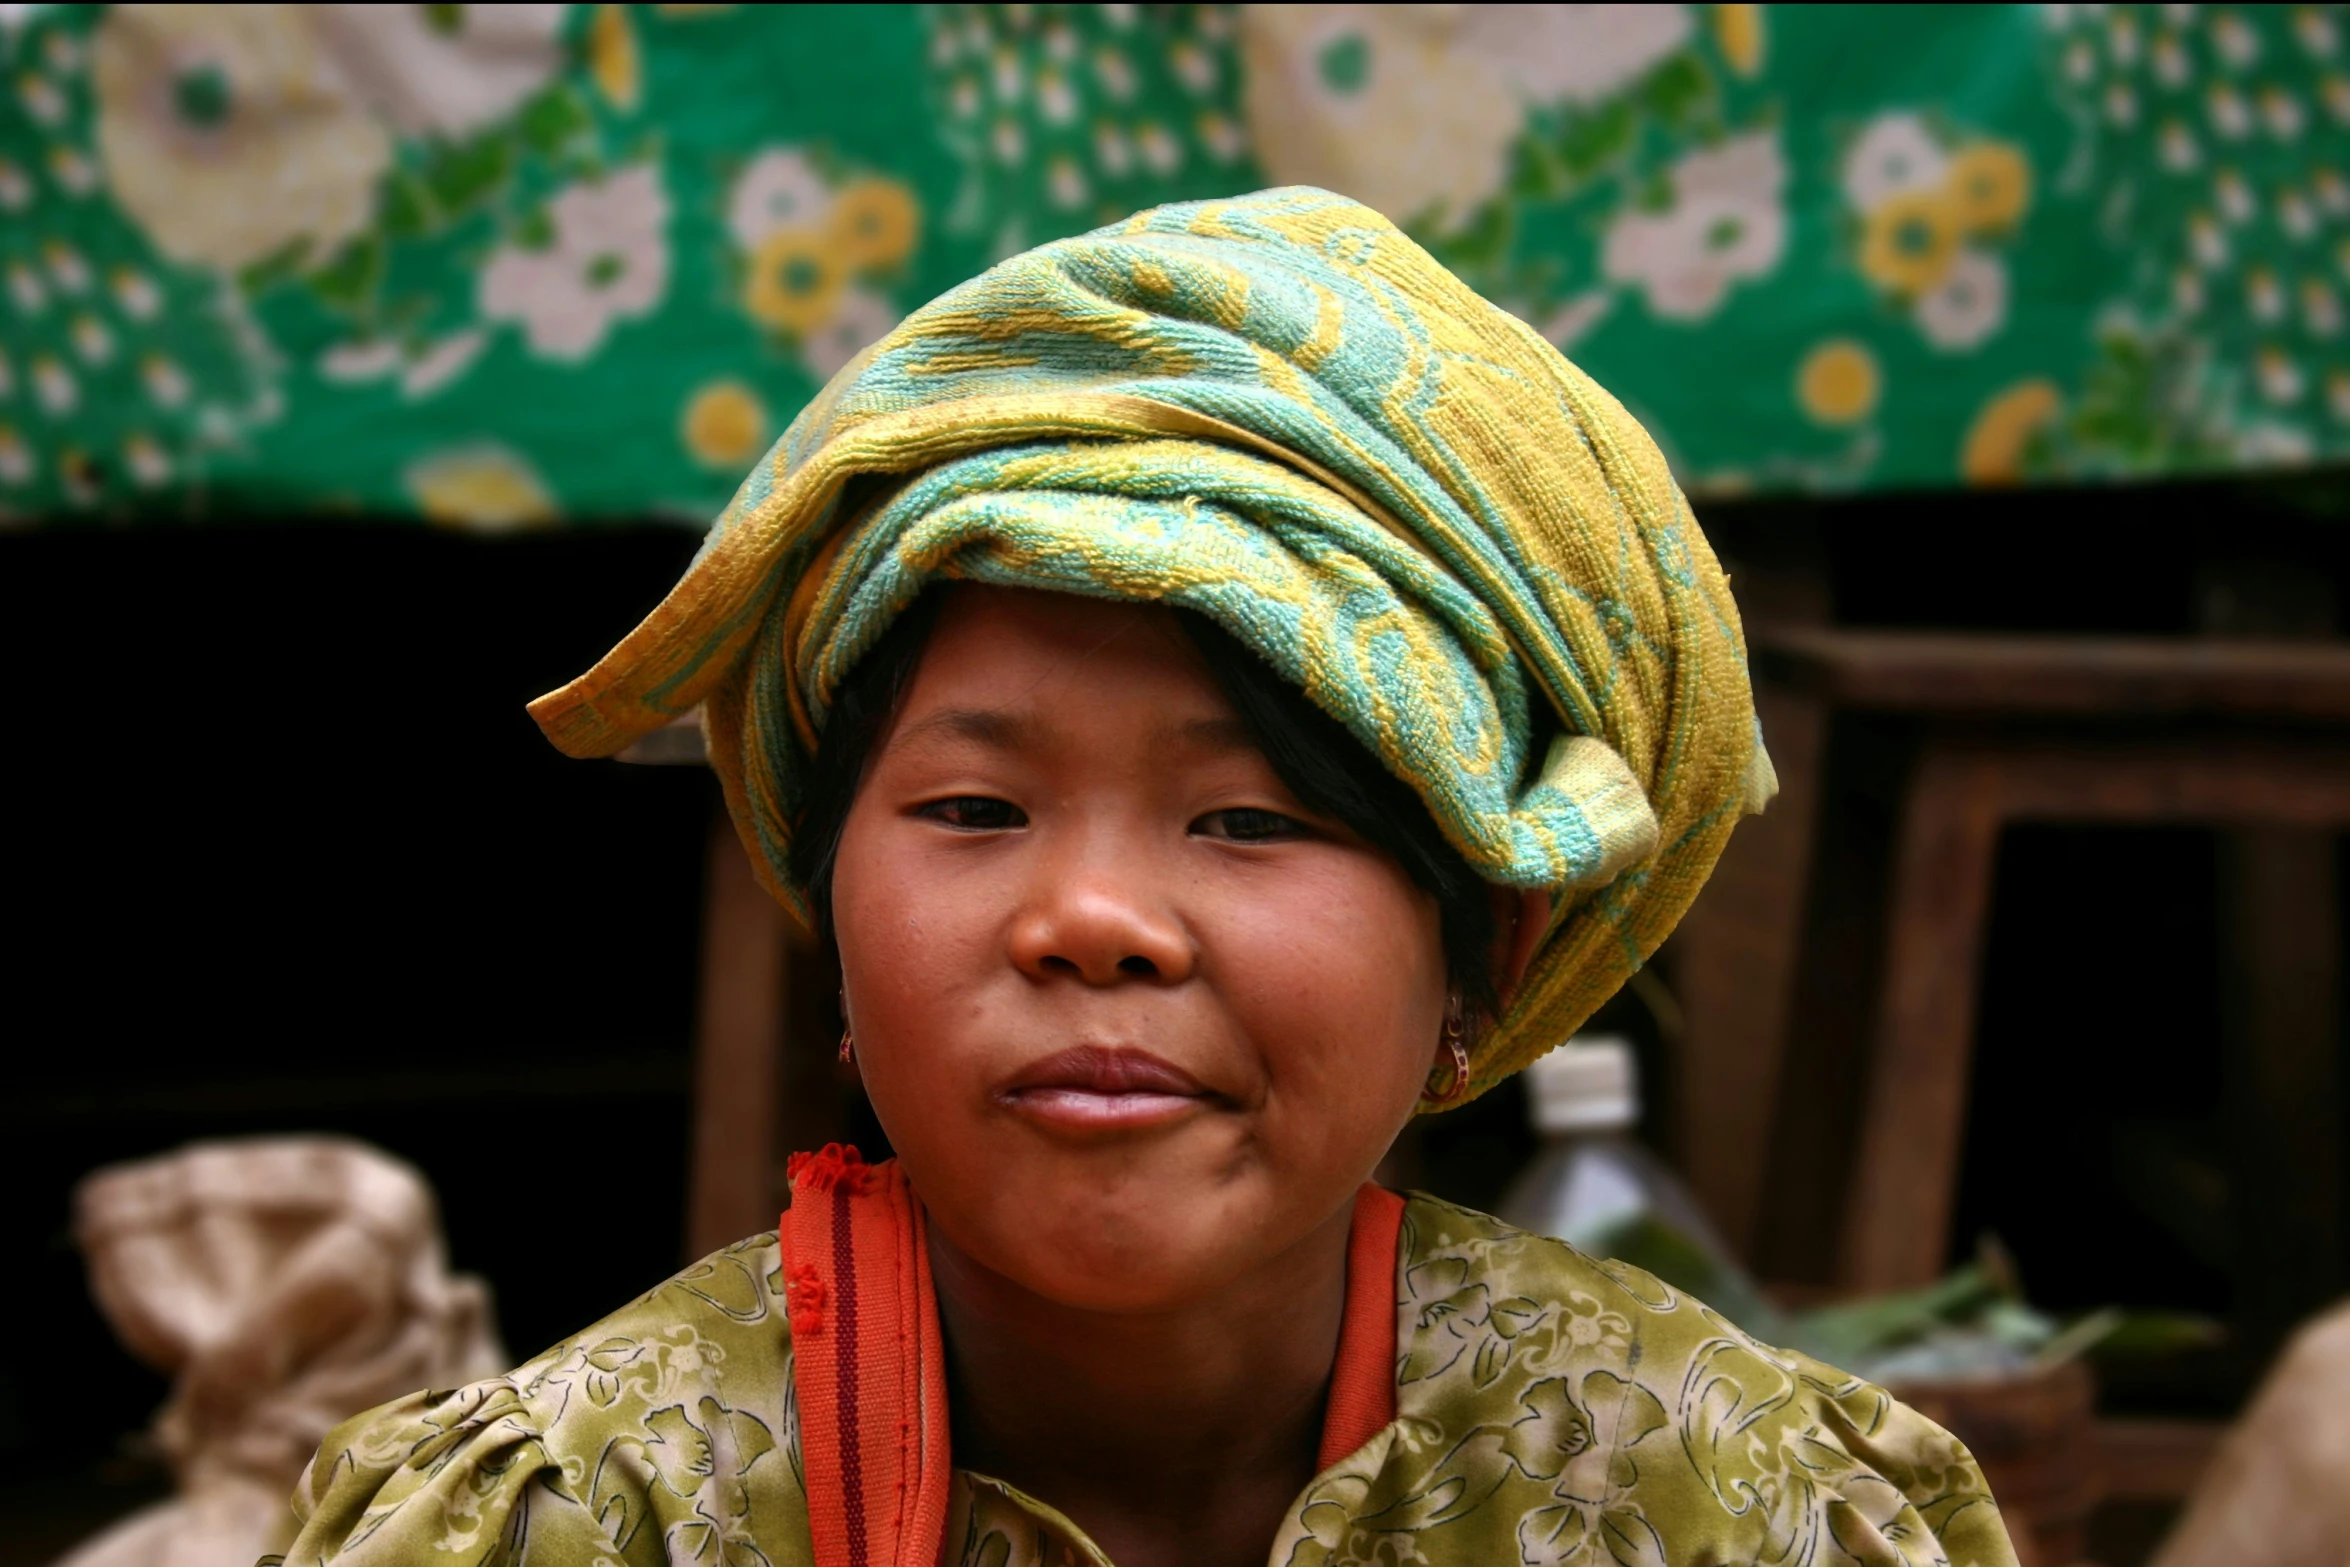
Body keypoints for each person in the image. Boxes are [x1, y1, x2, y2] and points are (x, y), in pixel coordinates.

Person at [275, 188, 2017, 1567]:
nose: (1088, 919)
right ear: (829, 903)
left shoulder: (1714, 1501)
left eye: (1250, 820)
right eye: (972, 808)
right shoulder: (589, 1515)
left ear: (1481, 944)